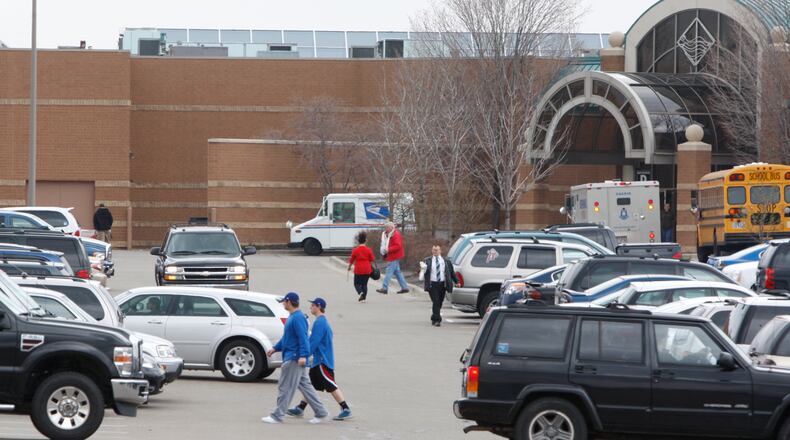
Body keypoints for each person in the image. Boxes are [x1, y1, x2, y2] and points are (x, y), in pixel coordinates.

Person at [262, 292, 329, 424]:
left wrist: (303, 355)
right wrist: (275, 348)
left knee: (285, 387)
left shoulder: (297, 318)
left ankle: (277, 416)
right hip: (295, 357)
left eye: (284, 302)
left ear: (289, 302)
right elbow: (287, 338)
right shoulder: (293, 317)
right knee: (305, 387)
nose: (283, 304)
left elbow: (303, 338)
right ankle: (321, 412)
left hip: (294, 358)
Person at [287, 298, 353, 421]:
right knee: (310, 386)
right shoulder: (321, 321)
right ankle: (300, 408)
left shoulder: (320, 323)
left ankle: (346, 408)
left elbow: (314, 342)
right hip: (318, 360)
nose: (310, 307)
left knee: (331, 385)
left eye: (312, 305)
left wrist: (304, 355)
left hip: (322, 361)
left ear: (318, 306)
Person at [422, 244, 459, 327]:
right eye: (433, 250)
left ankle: (434, 317)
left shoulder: (446, 261)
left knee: (439, 302)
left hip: (442, 284)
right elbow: (422, 271)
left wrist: (457, 281)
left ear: (440, 251)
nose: (435, 251)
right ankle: (437, 320)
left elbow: (451, 272)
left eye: (436, 250)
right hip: (432, 284)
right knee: (436, 301)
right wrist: (422, 269)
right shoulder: (427, 260)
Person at [376, 222, 409, 294]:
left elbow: (398, 246)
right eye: (385, 227)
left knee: (389, 272)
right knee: (397, 272)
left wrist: (388, 249)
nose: (386, 229)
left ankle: (384, 288)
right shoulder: (390, 234)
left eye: (387, 227)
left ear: (391, 227)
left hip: (394, 256)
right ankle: (405, 287)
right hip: (393, 255)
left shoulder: (395, 234)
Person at [348, 232, 375, 302]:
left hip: (358, 269)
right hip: (367, 269)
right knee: (364, 284)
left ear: (358, 241)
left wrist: (349, 267)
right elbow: (372, 259)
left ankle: (360, 293)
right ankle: (363, 298)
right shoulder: (368, 250)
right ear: (365, 240)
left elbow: (351, 260)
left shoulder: (355, 250)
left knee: (356, 283)